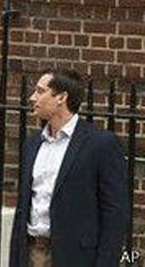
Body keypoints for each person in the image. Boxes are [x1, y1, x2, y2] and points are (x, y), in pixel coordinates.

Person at [8, 69, 129, 267]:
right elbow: (24, 207)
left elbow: (115, 212)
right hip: (31, 252)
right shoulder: (32, 144)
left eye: (40, 91)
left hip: (76, 257)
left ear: (61, 98)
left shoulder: (99, 144)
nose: (32, 97)